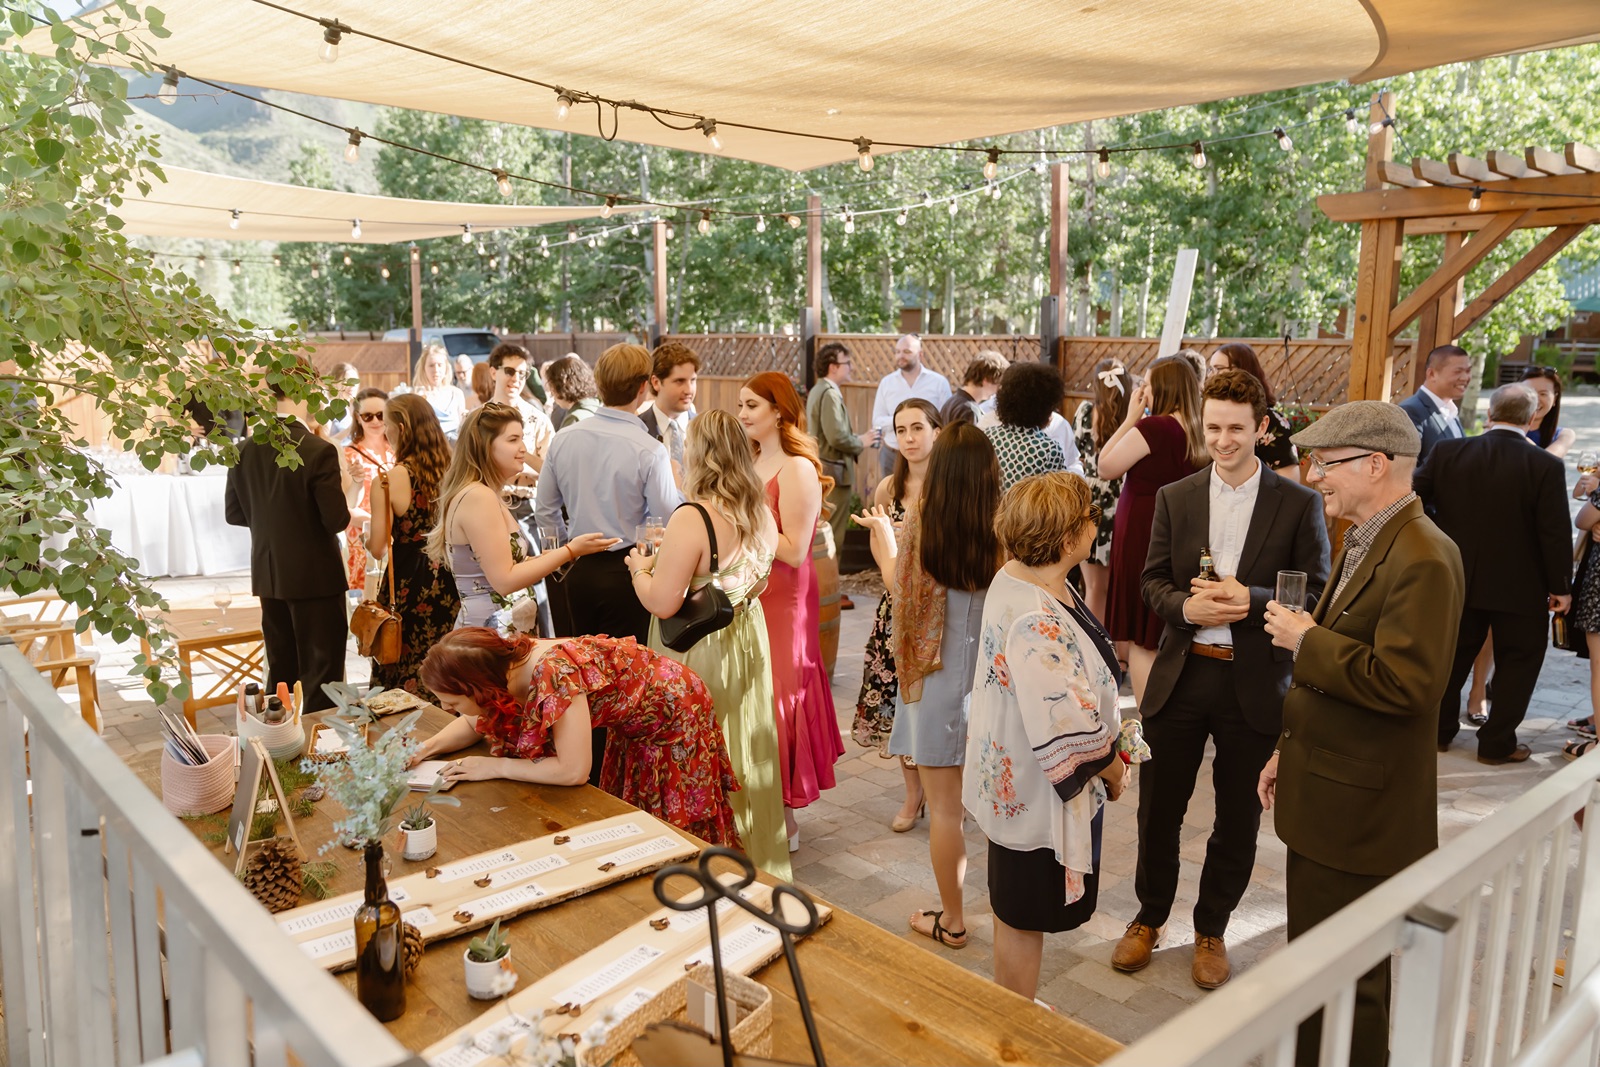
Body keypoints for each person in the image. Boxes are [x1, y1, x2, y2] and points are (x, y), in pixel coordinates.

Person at [1258, 401, 1464, 1067]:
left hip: (1361, 814)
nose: (1317, 475)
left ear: (1376, 464)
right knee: (1320, 971)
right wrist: (1287, 750)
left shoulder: (1425, 555)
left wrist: (1307, 639)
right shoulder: (1367, 536)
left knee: (1349, 983)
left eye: (1330, 462)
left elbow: (1408, 685)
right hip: (1329, 792)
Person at [1112, 370, 1329, 989]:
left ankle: (1212, 929)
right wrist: (1186, 608)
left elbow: (1315, 588)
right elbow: (1152, 580)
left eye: (1237, 428)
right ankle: (1149, 917)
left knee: (1239, 815)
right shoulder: (1177, 496)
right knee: (1158, 809)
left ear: (1262, 428)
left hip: (1254, 682)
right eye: (1213, 428)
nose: (1224, 440)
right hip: (1181, 676)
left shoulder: (1299, 504)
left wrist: (1249, 597)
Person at [964, 472, 1130, 998]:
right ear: (1064, 540)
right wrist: (1114, 766)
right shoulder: (1034, 617)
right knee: (1021, 913)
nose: (1094, 523)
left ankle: (1017, 1013)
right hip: (1035, 796)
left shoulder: (1021, 575)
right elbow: (1066, 720)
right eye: (1087, 517)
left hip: (1016, 783)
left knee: (1018, 909)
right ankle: (1014, 1027)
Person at [855, 422, 1001, 951]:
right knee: (1001, 808)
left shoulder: (923, 527)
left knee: (944, 812)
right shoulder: (1006, 530)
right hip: (992, 689)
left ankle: (955, 920)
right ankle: (1010, 920)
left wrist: (884, 544)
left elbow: (901, 591)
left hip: (936, 682)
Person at [629, 410, 790, 879]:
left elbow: (662, 601)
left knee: (696, 752)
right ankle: (754, 856)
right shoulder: (760, 510)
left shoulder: (692, 516)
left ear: (696, 456)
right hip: (746, 639)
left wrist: (640, 569)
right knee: (742, 749)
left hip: (698, 649)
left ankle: (701, 860)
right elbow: (756, 582)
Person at [415, 627, 740, 846]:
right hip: (635, 716)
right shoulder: (502, 670)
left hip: (673, 713)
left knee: (674, 824)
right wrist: (424, 749)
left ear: (479, 687)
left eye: (452, 702)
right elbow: (475, 720)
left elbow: (573, 771)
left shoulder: (553, 673)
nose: (446, 708)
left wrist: (493, 767)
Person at [1415, 383, 1571, 764]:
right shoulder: (1545, 465)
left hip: (1458, 579)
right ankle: (1496, 743)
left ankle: (1438, 732)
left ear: (1490, 412)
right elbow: (1554, 531)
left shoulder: (1449, 451)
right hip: (1521, 587)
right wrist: (1560, 587)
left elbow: (1413, 495)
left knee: (1451, 658)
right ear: (1533, 418)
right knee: (1519, 661)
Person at [739, 371, 844, 851]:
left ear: (778, 411)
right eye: (741, 407)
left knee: (780, 696)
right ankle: (760, 804)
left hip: (785, 596)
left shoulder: (798, 469)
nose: (742, 415)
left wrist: (743, 518)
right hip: (752, 590)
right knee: (755, 695)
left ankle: (785, 816)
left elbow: (796, 550)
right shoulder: (753, 460)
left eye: (751, 406)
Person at [224, 359, 351, 712]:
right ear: (308, 390)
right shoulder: (317, 450)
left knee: (280, 669)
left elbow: (234, 513)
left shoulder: (244, 450)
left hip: (268, 574)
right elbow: (336, 520)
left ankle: (277, 746)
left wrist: (274, 524)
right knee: (322, 677)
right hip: (316, 577)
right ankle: (318, 752)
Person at [536, 343, 683, 644]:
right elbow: (668, 517)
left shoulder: (564, 438)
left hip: (578, 569)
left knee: (583, 667)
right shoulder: (650, 450)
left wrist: (565, 554)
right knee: (629, 671)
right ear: (644, 387)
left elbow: (545, 510)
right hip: (629, 570)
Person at [427, 402, 617, 633]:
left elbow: (504, 565)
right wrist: (570, 551)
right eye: (513, 439)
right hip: (490, 636)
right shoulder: (479, 497)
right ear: (485, 446)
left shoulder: (484, 493)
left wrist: (556, 556)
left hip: (502, 631)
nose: (523, 448)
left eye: (521, 439)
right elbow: (504, 580)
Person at [852, 398, 942, 832]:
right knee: (902, 706)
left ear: (937, 432)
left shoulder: (950, 488)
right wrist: (895, 545)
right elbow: (882, 562)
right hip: (898, 613)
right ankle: (913, 795)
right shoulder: (888, 489)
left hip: (944, 612)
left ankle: (944, 788)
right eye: (900, 430)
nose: (908, 438)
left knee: (938, 706)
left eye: (917, 428)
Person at [1099, 356, 1207, 700]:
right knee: (1165, 624)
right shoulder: (1199, 428)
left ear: (1163, 388)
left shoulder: (1155, 428)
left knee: (1142, 635)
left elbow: (1106, 465)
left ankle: (1147, 714)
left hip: (1144, 533)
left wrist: (1132, 418)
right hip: (1184, 532)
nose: (1142, 390)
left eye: (1147, 383)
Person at [366, 394, 460, 700]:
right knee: (447, 661)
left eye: (388, 425)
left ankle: (401, 739)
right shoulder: (454, 471)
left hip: (408, 582)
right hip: (450, 578)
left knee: (402, 663)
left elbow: (378, 547)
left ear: (403, 427)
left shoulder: (389, 481)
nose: (385, 432)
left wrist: (369, 535)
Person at [488, 342, 558, 638]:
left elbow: (552, 470)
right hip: (488, 507)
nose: (516, 378)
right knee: (490, 585)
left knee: (536, 584)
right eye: (509, 371)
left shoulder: (537, 418)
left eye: (523, 372)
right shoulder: (478, 418)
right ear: (493, 372)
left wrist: (521, 456)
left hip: (526, 509)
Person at [1072, 359, 1131, 630]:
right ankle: (1109, 651)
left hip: (1089, 500)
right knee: (1111, 589)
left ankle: (1093, 647)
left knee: (1092, 587)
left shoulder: (1084, 411)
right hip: (1120, 500)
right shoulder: (1132, 416)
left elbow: (1076, 451)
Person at [806, 341, 879, 559]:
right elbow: (835, 436)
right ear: (833, 366)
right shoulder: (829, 393)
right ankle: (829, 591)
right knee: (831, 535)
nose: (851, 368)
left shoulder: (818, 389)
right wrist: (861, 442)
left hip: (824, 469)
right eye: (847, 363)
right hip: (834, 473)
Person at [1207, 342, 1300, 478]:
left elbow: (1290, 481)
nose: (1211, 376)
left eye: (1219, 368)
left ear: (1242, 370)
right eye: (1210, 369)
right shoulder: (1209, 415)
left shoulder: (1272, 421)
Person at [870, 334, 952, 480]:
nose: (901, 356)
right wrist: (906, 420)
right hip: (891, 454)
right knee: (891, 498)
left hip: (928, 456)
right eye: (897, 351)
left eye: (907, 352)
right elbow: (877, 421)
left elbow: (945, 421)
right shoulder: (886, 383)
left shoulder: (939, 383)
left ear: (920, 354)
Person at [983, 361, 1072, 492]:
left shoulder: (987, 437)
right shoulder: (1049, 450)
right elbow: (1057, 499)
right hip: (1026, 513)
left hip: (989, 512)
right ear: (1043, 408)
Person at [342, 387, 393, 593]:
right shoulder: (348, 455)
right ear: (358, 418)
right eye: (367, 416)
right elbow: (346, 507)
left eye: (381, 415)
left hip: (398, 538)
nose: (375, 421)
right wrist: (379, 527)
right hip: (365, 540)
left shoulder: (398, 450)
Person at [1397, 344, 1471, 464]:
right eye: (1458, 371)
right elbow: (1405, 470)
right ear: (1432, 374)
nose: (1465, 377)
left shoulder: (1451, 411)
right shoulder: (1410, 411)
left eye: (1468, 371)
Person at [639, 341, 698, 468]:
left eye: (693, 380)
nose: (689, 390)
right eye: (679, 381)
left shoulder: (707, 430)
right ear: (656, 382)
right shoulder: (638, 430)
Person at [411, 342, 468, 443]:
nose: (436, 370)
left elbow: (462, 428)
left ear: (446, 367)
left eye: (440, 365)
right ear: (424, 368)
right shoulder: (418, 395)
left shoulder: (456, 394)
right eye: (431, 365)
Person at [940, 350, 1009, 426]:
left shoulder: (952, 401)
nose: (998, 390)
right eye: (998, 384)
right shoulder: (969, 410)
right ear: (986, 380)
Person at [1522, 366, 1576, 456]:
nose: (1535, 399)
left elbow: (1546, 462)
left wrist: (1514, 434)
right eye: (1529, 392)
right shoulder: (1496, 429)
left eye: (1543, 394)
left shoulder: (1564, 435)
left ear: (1555, 399)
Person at [545, 354, 600, 432]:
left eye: (551, 385)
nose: (551, 392)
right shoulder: (600, 408)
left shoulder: (574, 420)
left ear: (560, 385)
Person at [324, 362, 363, 443]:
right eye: (347, 381)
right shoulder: (328, 408)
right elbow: (324, 442)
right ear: (334, 383)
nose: (352, 386)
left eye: (355, 381)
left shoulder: (353, 408)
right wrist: (350, 429)